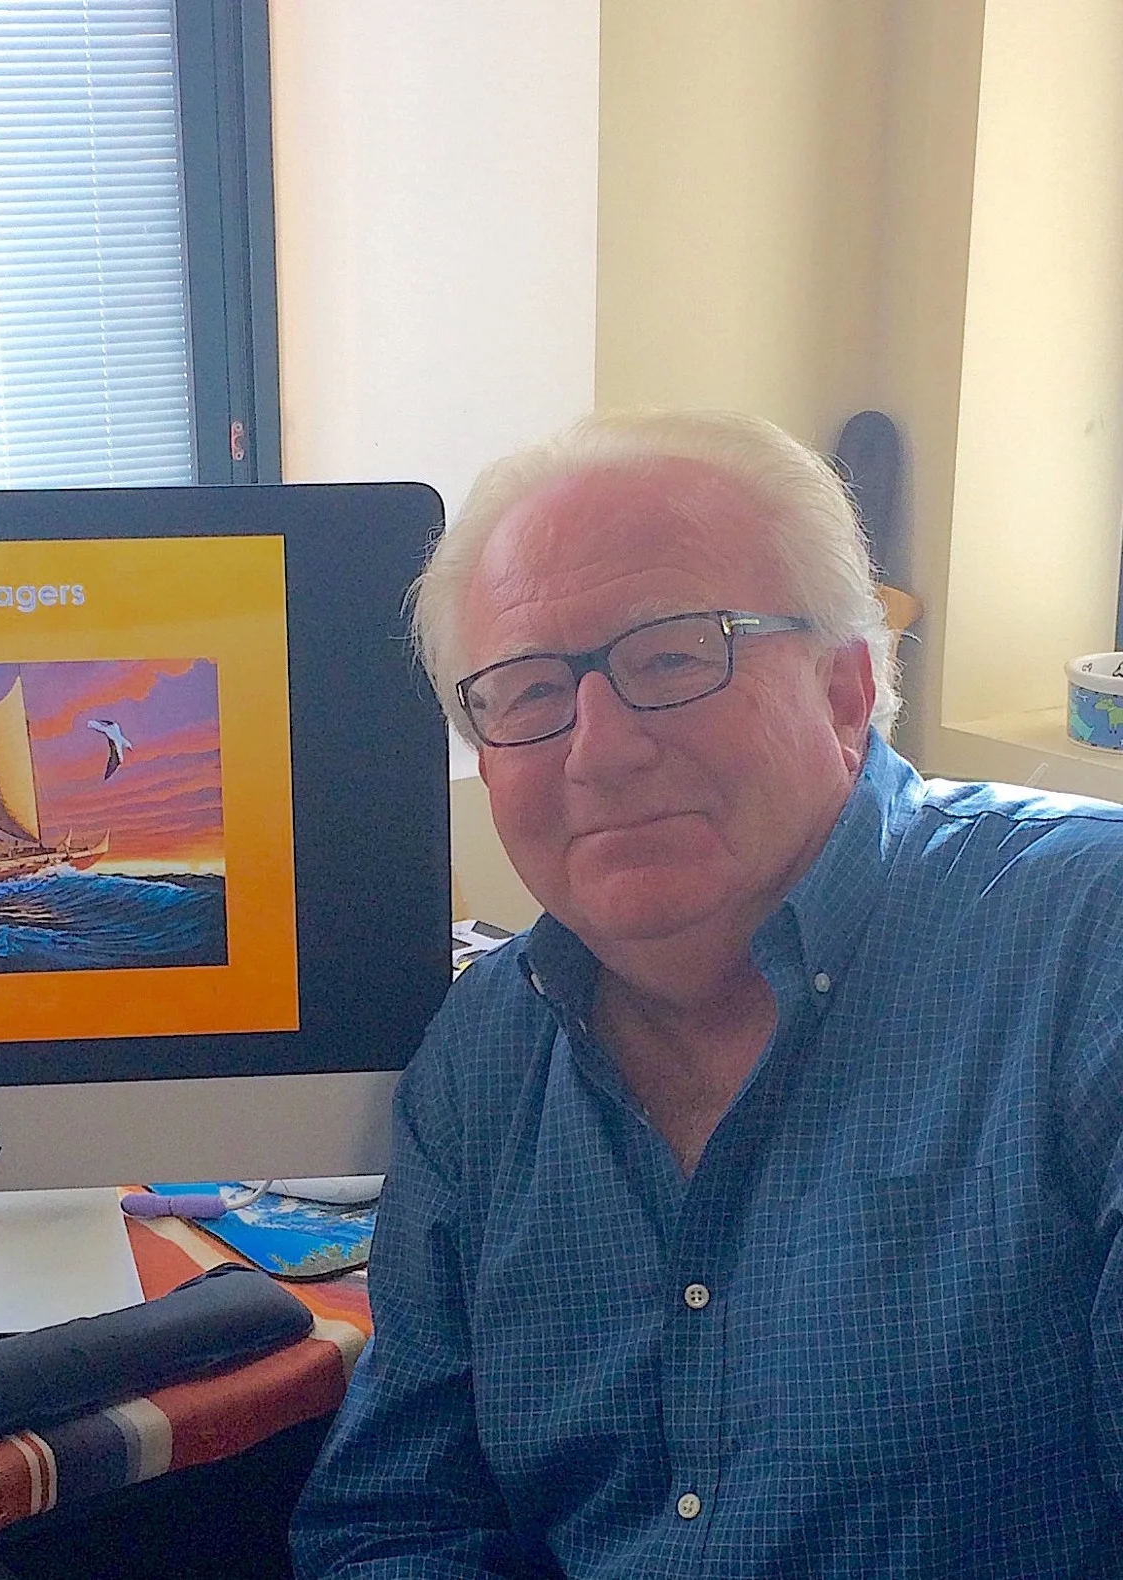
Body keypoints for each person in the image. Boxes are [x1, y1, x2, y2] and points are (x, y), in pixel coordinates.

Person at [290, 410, 1123, 1578]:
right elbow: (395, 1520)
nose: (598, 750)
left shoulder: (1086, 950)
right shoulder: (487, 1051)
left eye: (674, 657)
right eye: (526, 692)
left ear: (843, 687)